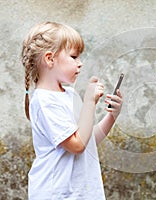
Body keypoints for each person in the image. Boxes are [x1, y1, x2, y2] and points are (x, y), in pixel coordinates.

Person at [22, 22, 123, 199]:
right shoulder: (45, 101)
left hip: (80, 193)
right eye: (74, 57)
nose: (80, 63)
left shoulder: (69, 94)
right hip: (58, 194)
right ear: (49, 59)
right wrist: (89, 102)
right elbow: (77, 145)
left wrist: (112, 116)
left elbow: (87, 140)